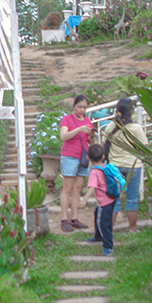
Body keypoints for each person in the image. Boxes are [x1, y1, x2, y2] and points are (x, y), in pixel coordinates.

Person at [103, 97, 147, 233]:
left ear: (118, 111)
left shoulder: (111, 126)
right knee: (132, 198)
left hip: (115, 166)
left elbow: (104, 144)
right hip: (133, 166)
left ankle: (109, 229)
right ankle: (132, 228)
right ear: (132, 111)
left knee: (115, 199)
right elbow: (145, 147)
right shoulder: (136, 128)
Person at [59, 94, 93, 233]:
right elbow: (63, 137)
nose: (82, 110)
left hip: (83, 157)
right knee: (67, 188)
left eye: (84, 107)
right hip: (70, 157)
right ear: (74, 106)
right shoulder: (67, 119)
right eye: (79, 107)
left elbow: (89, 141)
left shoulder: (88, 120)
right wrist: (79, 129)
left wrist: (91, 135)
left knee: (78, 188)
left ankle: (74, 218)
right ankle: (64, 219)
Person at [79, 143, 116, 255]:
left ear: (88, 157)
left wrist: (84, 199)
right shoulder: (106, 166)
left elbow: (93, 187)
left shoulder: (95, 172)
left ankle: (108, 246)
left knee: (104, 223)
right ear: (103, 156)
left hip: (104, 202)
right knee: (97, 215)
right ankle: (98, 236)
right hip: (112, 198)